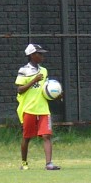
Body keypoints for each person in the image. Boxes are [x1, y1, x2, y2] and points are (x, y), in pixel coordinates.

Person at [15, 43, 60, 171]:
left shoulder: (44, 71)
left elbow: (45, 88)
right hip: (29, 109)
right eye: (39, 54)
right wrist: (34, 80)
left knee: (46, 135)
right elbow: (19, 89)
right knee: (27, 137)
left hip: (43, 109)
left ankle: (49, 164)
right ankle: (24, 163)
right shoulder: (23, 70)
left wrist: (55, 94)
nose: (42, 56)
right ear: (32, 55)